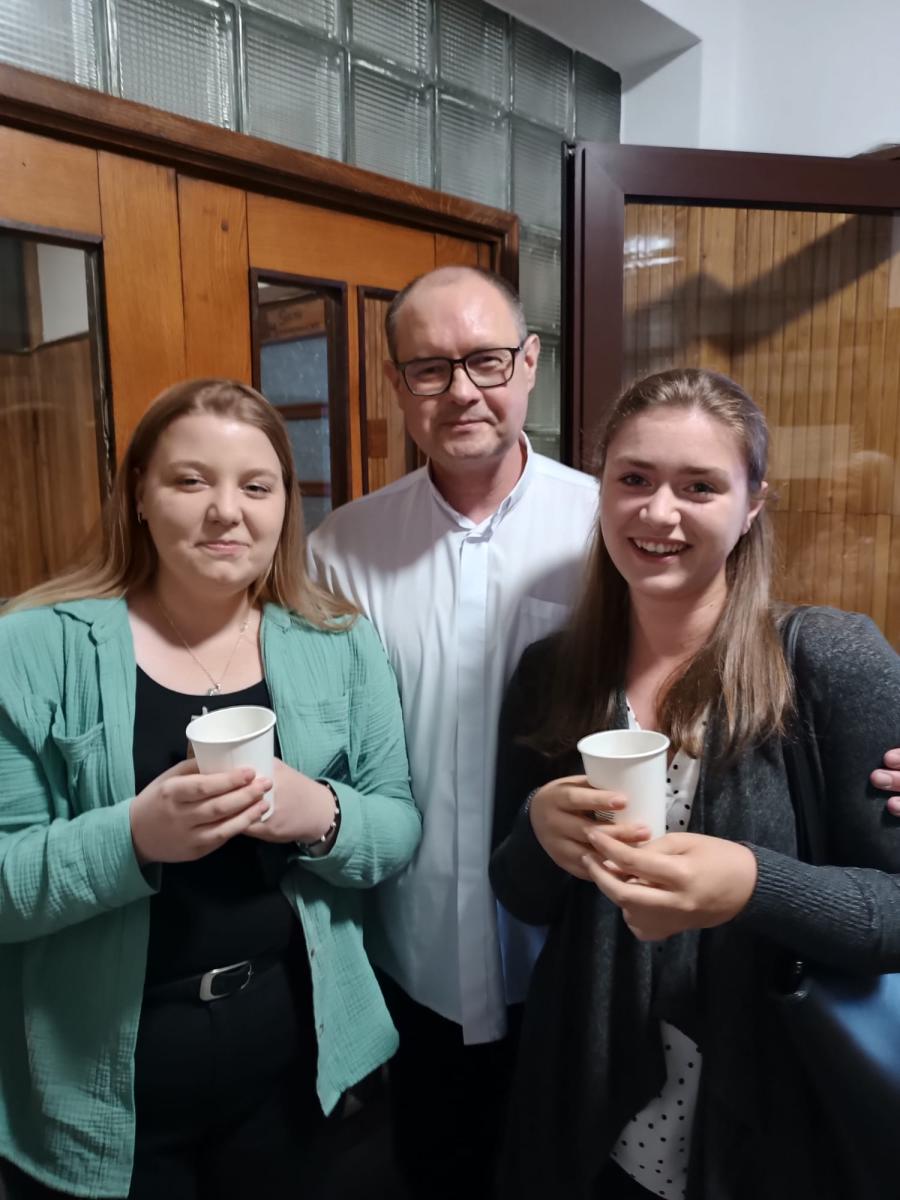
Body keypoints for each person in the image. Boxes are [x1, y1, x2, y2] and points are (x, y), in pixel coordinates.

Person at [0, 379, 421, 1200]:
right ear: (138, 497)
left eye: (256, 487)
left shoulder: (336, 640)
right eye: (190, 481)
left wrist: (321, 814)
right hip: (102, 1086)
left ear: (284, 508)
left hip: (296, 1072)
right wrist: (133, 838)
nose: (226, 511)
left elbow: (397, 825)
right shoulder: (33, 648)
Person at [489, 367, 900, 1200]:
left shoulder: (828, 661)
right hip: (590, 1105)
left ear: (752, 506)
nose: (658, 512)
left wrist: (753, 884)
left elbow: (893, 911)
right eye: (634, 479)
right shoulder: (552, 673)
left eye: (700, 486)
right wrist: (538, 830)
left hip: (771, 1119)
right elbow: (521, 895)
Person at [307, 266, 600, 1197]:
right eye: (430, 369)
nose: (462, 390)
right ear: (398, 386)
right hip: (416, 949)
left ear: (531, 363)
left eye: (486, 360)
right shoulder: (342, 549)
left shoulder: (609, 527)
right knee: (436, 1171)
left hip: (576, 947)